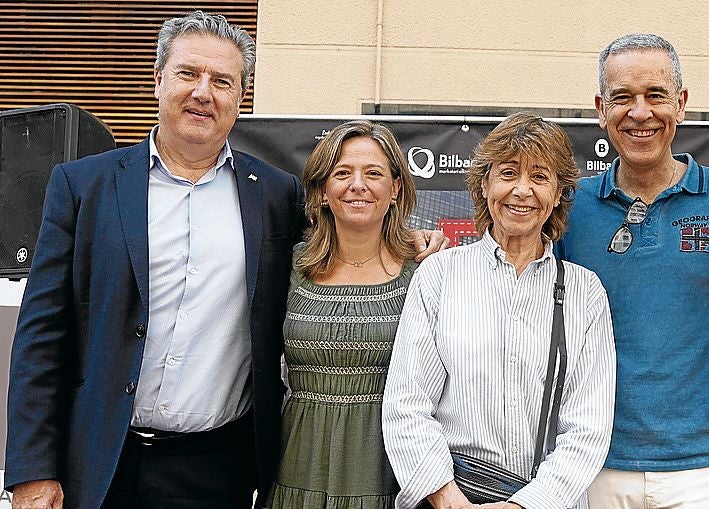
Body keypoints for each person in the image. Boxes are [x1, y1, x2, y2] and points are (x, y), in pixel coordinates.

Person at [3, 11, 448, 509]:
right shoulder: (83, 187)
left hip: (220, 469)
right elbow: (42, 338)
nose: (203, 92)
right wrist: (32, 470)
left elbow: (343, 238)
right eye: (189, 74)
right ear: (158, 80)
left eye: (222, 81)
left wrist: (403, 240)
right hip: (100, 461)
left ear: (240, 97)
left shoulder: (275, 196)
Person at [556, 33, 709, 508]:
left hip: (704, 468)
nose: (640, 112)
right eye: (622, 97)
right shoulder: (571, 206)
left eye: (655, 95)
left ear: (682, 103)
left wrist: (696, 362)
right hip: (591, 460)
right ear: (599, 108)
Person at [382, 113, 616, 509]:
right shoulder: (440, 275)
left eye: (539, 177)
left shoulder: (584, 291)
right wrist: (447, 498)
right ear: (485, 184)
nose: (522, 191)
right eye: (508, 173)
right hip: (450, 498)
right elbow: (407, 402)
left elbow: (588, 426)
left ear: (558, 194)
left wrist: (524, 505)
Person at [267, 120, 418, 508]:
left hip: (387, 464)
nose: (358, 185)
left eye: (374, 173)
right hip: (299, 460)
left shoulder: (424, 270)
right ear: (320, 191)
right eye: (342, 173)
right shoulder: (289, 267)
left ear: (396, 188)